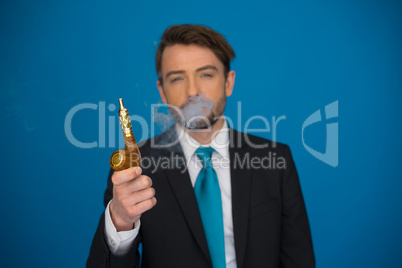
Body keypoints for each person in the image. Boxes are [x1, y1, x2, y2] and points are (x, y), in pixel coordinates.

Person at [87, 24, 315, 268]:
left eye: (206, 74)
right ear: (162, 92)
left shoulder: (276, 160)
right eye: (176, 78)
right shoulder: (137, 167)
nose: (193, 90)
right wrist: (121, 222)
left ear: (228, 82)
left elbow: (298, 260)